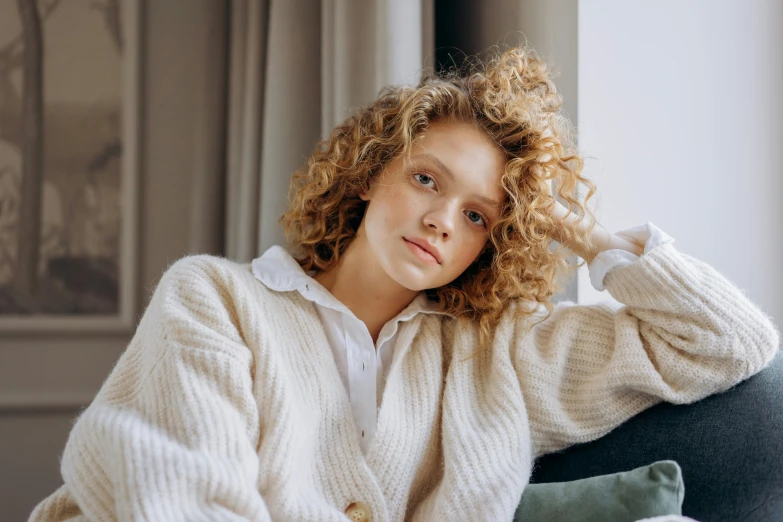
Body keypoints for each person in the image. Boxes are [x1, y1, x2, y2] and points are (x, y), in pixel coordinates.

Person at [29, 45, 779, 522]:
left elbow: (728, 344)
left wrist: (582, 233)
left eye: (479, 215)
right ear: (366, 176)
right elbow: (175, 497)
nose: (442, 220)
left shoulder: (498, 352)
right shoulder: (216, 300)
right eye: (426, 179)